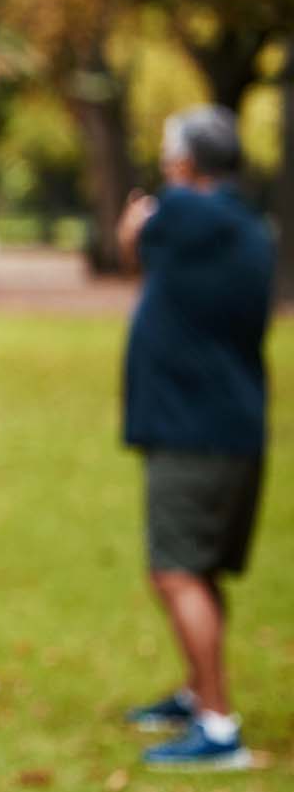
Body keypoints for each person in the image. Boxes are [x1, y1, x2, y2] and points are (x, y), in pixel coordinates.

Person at [116, 105, 273, 772]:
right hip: (235, 424)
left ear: (185, 162)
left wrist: (132, 226)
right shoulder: (252, 227)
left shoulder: (178, 214)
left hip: (190, 427)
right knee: (202, 568)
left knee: (175, 568)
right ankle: (195, 691)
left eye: (166, 151)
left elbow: (133, 249)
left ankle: (216, 725)